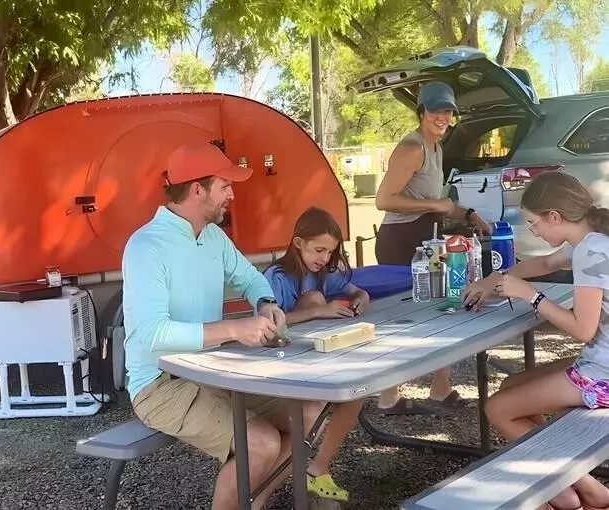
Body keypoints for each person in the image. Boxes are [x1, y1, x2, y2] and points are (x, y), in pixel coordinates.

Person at [122, 141, 324, 510]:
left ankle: (252, 503)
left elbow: (251, 279)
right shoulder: (145, 246)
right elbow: (152, 334)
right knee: (261, 443)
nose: (232, 194)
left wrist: (266, 304)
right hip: (160, 385)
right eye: (225, 185)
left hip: (212, 371)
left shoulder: (213, 236)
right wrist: (233, 330)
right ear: (197, 189)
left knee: (309, 413)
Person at [463, 171, 609, 510]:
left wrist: (533, 296)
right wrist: (494, 278)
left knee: (496, 408)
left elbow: (583, 330)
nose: (534, 231)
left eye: (534, 223)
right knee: (513, 384)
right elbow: (543, 263)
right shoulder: (592, 239)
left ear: (554, 217)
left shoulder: (591, 253)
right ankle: (566, 484)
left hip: (603, 374)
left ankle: (580, 492)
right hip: (600, 361)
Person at [373, 80, 492, 415]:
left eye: (448, 111)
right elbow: (384, 200)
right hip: (399, 240)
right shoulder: (413, 147)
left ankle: (440, 388)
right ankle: (387, 396)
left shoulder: (436, 147)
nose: (442, 117)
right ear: (421, 111)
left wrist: (469, 214)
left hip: (425, 237)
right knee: (401, 317)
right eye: (436, 110)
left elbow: (437, 203)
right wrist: (434, 206)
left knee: (443, 305)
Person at [263, 206, 367, 502]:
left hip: (316, 356)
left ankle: (318, 468)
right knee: (314, 298)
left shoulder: (322, 272)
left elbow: (357, 290)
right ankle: (269, 485)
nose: (324, 258)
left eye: (329, 252)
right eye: (319, 249)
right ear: (298, 243)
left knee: (356, 390)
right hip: (282, 361)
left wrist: (361, 298)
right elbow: (272, 323)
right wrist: (318, 309)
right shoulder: (276, 276)